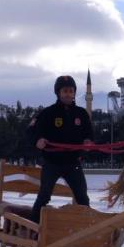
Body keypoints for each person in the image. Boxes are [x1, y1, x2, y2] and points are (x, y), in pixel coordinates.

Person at [27, 75, 94, 223]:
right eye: (65, 91)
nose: (68, 94)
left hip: (73, 163)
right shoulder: (47, 113)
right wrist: (37, 141)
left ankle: (87, 230)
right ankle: (32, 227)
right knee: (44, 196)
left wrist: (88, 142)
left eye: (71, 91)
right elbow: (30, 131)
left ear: (75, 92)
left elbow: (89, 134)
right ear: (58, 93)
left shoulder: (82, 114)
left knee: (82, 197)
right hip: (52, 162)